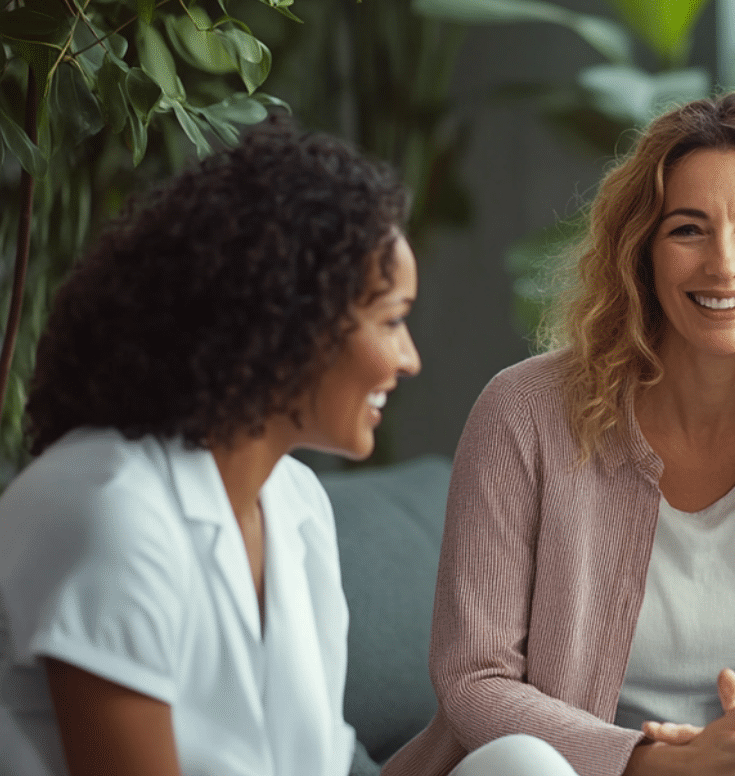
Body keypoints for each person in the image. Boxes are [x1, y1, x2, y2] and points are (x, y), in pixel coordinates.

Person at [381, 92, 735, 776]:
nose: (723, 264)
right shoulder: (523, 411)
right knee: (519, 766)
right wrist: (655, 761)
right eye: (688, 229)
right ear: (643, 250)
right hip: (583, 772)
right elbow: (476, 680)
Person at [0, 121, 422, 776]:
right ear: (292, 317)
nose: (409, 359)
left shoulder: (296, 505)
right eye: (393, 320)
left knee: (521, 761)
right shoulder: (109, 510)